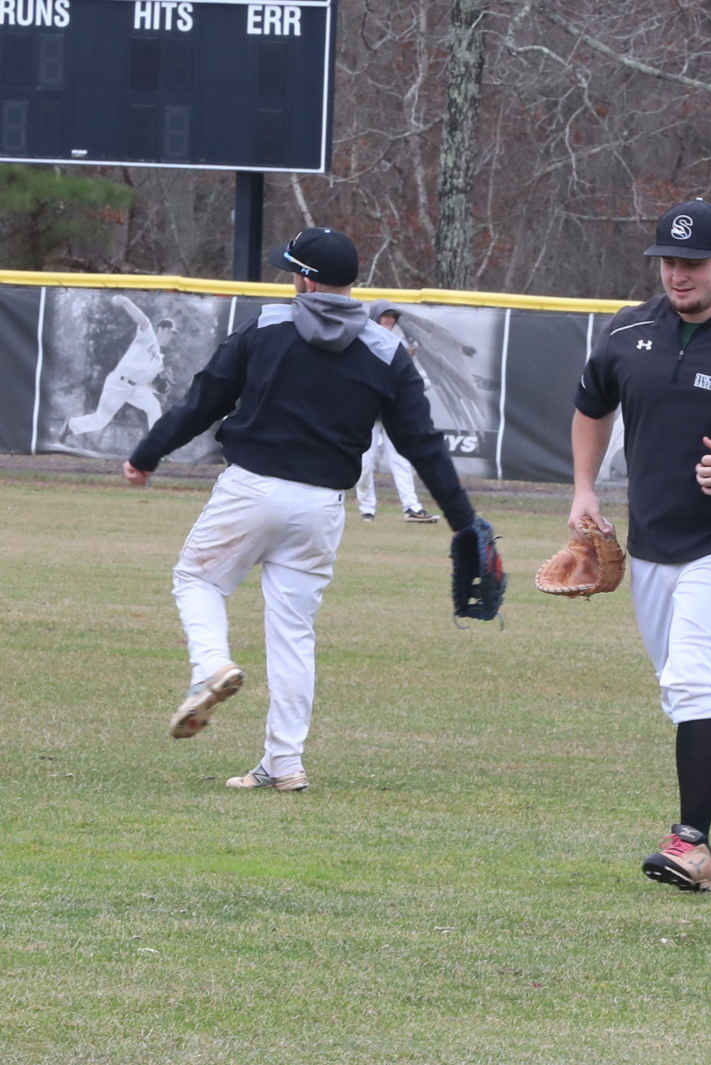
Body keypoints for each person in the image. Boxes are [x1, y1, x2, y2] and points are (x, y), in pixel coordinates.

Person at [121, 226, 489, 792]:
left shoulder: (267, 324)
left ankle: (211, 667)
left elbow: (204, 399)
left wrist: (147, 454)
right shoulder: (386, 350)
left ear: (306, 279)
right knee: (293, 632)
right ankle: (284, 763)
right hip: (321, 506)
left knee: (196, 579)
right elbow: (422, 444)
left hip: (250, 489)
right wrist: (464, 520)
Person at [571, 199, 711, 892]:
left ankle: (690, 838)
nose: (677, 275)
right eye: (668, 261)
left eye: (692, 263)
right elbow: (591, 406)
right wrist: (583, 491)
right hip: (652, 540)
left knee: (692, 679)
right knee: (688, 692)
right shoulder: (629, 329)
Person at [355, 301, 440, 524]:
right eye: (385, 316)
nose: (389, 321)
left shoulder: (401, 345)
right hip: (369, 416)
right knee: (364, 465)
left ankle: (412, 508)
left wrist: (417, 385)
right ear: (375, 318)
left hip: (393, 414)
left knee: (402, 462)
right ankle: (366, 509)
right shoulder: (363, 343)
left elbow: (418, 378)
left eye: (392, 317)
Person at [66, 293, 170, 438]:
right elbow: (143, 320)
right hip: (118, 383)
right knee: (100, 421)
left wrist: (160, 388)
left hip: (134, 388)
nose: (171, 337)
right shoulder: (149, 336)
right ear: (162, 329)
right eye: (170, 332)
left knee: (154, 406)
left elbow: (147, 384)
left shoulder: (159, 361)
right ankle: (71, 425)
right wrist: (126, 302)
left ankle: (156, 445)